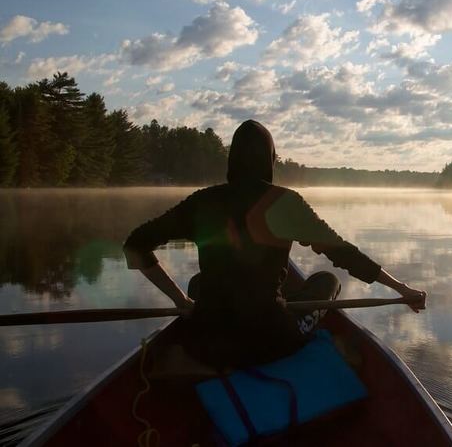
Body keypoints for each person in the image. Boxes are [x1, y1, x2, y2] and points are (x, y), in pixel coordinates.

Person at [124, 120, 426, 368]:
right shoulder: (285, 203)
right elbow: (344, 254)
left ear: (233, 160)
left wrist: (182, 302)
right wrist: (403, 290)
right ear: (270, 160)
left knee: (199, 283)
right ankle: (302, 329)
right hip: (270, 341)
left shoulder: (203, 201)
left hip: (208, 341)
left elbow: (135, 245)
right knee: (327, 280)